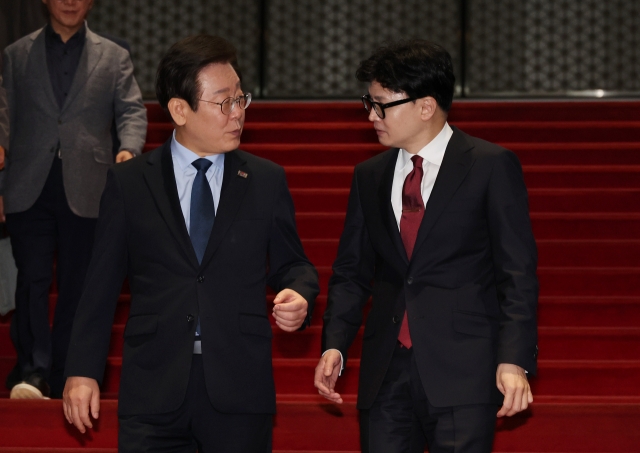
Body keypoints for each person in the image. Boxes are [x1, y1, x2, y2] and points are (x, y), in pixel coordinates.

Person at [63, 34, 319, 452]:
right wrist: (82, 371)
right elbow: (100, 285)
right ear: (179, 109)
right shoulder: (130, 183)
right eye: (224, 102)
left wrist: (300, 293)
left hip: (238, 387)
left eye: (241, 99)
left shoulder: (265, 180)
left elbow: (295, 265)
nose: (237, 113)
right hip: (153, 387)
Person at [314, 39, 538, 453]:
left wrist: (514, 359)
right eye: (369, 101)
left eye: (381, 104)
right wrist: (335, 343)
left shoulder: (490, 166)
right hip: (386, 371)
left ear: (425, 106)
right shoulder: (370, 175)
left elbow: (517, 274)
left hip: (464, 370)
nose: (371, 114)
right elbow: (352, 270)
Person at [1, 0, 147, 399]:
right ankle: (32, 371)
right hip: (27, 184)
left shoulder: (114, 56)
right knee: (31, 279)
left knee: (78, 285)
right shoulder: (16, 54)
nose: (69, 1)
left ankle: (68, 369)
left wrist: (130, 150)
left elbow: (131, 111)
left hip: (90, 186)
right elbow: (4, 115)